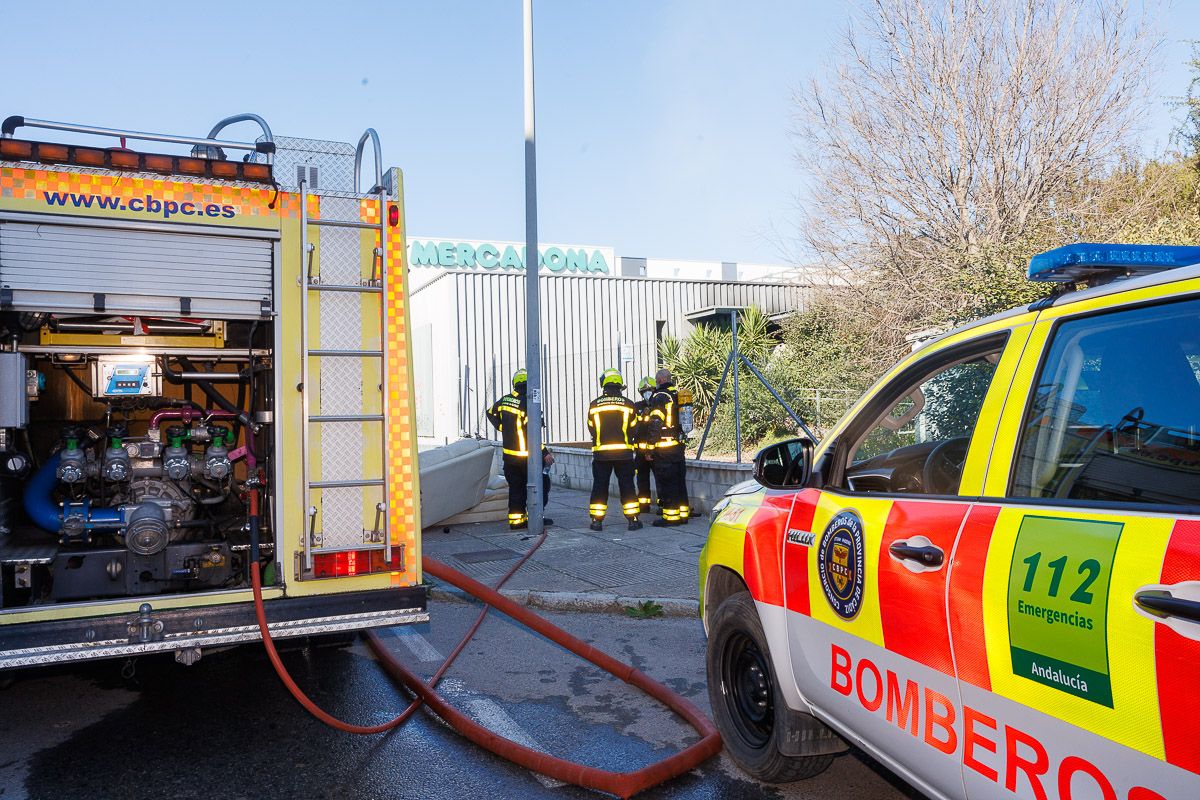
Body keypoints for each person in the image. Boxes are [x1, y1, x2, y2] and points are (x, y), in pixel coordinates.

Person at [486, 369, 553, 530]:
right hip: (527, 458)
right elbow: (533, 434)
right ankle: (535, 517)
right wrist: (545, 453)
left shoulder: (505, 400)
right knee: (541, 485)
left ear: (514, 383)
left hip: (509, 457)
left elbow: (490, 413)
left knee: (516, 489)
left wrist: (502, 427)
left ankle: (516, 521)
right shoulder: (528, 404)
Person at [586, 369, 642, 531]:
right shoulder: (629, 404)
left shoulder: (594, 405)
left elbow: (591, 428)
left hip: (601, 454)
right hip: (624, 454)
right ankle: (633, 520)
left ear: (604, 384)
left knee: (600, 486)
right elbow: (634, 428)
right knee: (627, 486)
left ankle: (597, 521)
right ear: (619, 384)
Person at [644, 368, 690, 527]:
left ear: (661, 380)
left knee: (667, 483)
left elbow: (656, 423)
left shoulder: (660, 397)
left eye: (657, 380)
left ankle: (671, 517)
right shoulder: (677, 394)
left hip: (664, 449)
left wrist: (649, 448)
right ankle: (683, 515)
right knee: (679, 483)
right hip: (678, 446)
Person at [632, 375, 656, 513]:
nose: (647, 393)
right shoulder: (637, 407)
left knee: (660, 478)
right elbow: (635, 427)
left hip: (655, 451)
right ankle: (643, 505)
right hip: (641, 452)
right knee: (642, 479)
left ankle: (663, 504)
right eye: (644, 391)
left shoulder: (658, 405)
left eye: (650, 390)